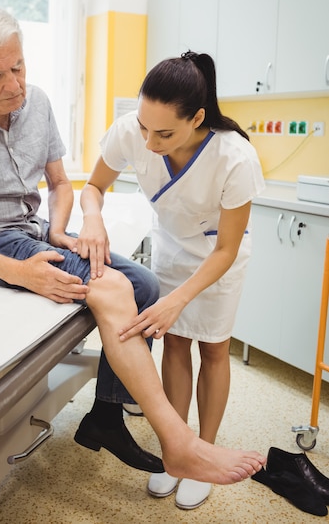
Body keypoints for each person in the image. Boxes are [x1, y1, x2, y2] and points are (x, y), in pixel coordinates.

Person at [0, 11, 265, 488]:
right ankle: (178, 442)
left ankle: (105, 414)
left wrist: (59, 229)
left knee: (142, 283)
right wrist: (21, 273)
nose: (14, 84)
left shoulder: (36, 103)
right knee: (115, 286)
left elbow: (60, 184)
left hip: (34, 230)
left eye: (18, 67)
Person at [74, 50, 266, 508]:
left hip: (219, 258)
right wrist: (92, 219)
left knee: (214, 349)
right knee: (176, 343)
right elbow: (93, 187)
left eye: (164, 132)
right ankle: (176, 449)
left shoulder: (235, 157)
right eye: (143, 127)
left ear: (198, 118)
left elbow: (226, 249)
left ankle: (204, 447)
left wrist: (178, 298)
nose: (149, 140)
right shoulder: (131, 131)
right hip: (171, 247)